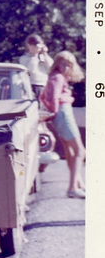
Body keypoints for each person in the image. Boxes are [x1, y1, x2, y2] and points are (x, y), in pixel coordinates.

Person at [40, 51, 86, 199]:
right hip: (63, 114)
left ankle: (78, 183)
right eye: (63, 64)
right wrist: (54, 111)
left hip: (60, 115)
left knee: (70, 151)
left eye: (69, 65)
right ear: (57, 64)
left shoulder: (54, 77)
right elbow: (53, 98)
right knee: (80, 151)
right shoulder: (58, 78)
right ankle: (73, 187)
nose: (66, 67)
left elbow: (43, 96)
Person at [19, 33, 54, 101]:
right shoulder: (24, 58)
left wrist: (45, 54)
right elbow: (31, 70)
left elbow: (51, 68)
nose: (36, 47)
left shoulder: (43, 57)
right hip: (32, 86)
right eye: (34, 45)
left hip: (44, 85)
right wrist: (34, 55)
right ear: (29, 45)